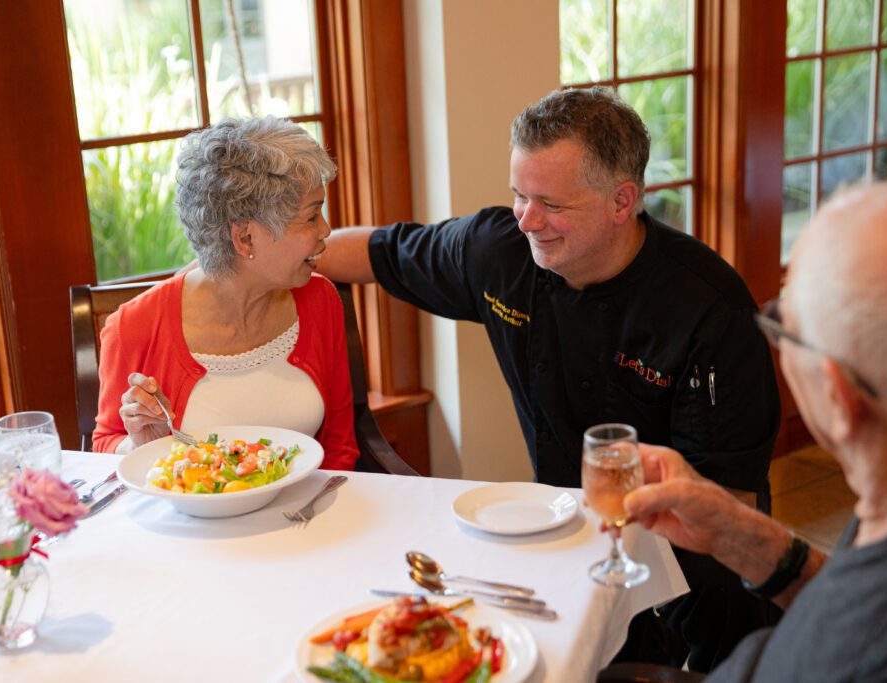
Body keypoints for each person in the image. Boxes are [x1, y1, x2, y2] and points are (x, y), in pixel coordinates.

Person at [317, 87, 781, 669]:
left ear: (622, 201)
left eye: (551, 204)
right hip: (574, 547)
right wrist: (244, 265)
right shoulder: (499, 252)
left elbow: (727, 501)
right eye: (518, 195)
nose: (527, 220)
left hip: (705, 557)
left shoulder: (710, 311)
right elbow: (380, 253)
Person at [624, 178, 887, 681]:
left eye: (783, 324)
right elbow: (850, 597)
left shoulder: (855, 654)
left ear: (838, 397)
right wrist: (741, 535)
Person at [92, 117, 358, 471]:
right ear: (245, 237)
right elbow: (103, 445)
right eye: (311, 217)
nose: (325, 230)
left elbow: (341, 446)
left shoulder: (319, 300)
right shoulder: (134, 327)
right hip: (190, 525)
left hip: (305, 519)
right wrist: (138, 445)